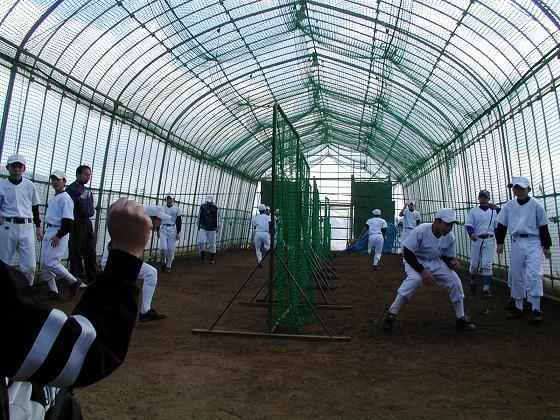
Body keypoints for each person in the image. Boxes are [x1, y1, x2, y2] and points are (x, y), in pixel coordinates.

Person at [1, 198, 151, 419]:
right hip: (20, 404)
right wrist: (127, 252)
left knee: (39, 266)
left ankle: (70, 284)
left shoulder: (65, 197)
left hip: (51, 232)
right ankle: (72, 282)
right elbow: (90, 350)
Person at [381, 208, 476, 332]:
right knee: (415, 279)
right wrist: (422, 271)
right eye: (446, 224)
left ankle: (461, 318)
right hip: (414, 259)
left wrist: (451, 263)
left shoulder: (450, 237)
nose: (449, 228)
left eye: (451, 225)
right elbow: (407, 252)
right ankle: (391, 314)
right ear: (436, 221)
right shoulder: (422, 230)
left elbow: (446, 256)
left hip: (434, 261)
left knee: (455, 281)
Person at [495, 176, 552, 323]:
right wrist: (499, 242)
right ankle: (518, 306)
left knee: (534, 273)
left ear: (528, 189)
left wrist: (546, 246)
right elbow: (501, 225)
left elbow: (543, 227)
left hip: (533, 241)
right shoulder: (509, 206)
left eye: (521, 188)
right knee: (516, 274)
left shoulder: (536, 205)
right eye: (516, 188)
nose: (518, 191)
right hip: (517, 241)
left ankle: (536, 308)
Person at [101, 205, 168, 322]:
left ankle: (144, 311)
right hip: (113, 261)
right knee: (146, 276)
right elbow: (113, 244)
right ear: (152, 218)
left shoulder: (143, 227)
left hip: (119, 260)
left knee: (150, 273)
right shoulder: (139, 227)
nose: (160, 223)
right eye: (159, 219)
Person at [0, 154, 43, 285]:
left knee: (30, 266)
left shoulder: (29, 185)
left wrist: (38, 226)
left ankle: (26, 290)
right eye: (13, 166)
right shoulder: (2, 185)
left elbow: (35, 207)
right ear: (8, 167)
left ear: (24, 168)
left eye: (19, 166)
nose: (16, 169)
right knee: (3, 262)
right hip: (8, 226)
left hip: (27, 226)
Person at [39, 170, 82, 301]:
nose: (55, 182)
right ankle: (54, 291)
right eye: (53, 179)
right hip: (50, 230)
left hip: (58, 232)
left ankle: (74, 281)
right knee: (44, 263)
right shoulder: (56, 197)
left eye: (58, 179)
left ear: (64, 181)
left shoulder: (65, 198)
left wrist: (59, 235)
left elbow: (68, 221)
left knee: (51, 262)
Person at [464, 189, 500, 298]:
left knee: (487, 264)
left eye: (485, 197)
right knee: (474, 265)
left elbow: (502, 221)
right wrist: (471, 234)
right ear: (478, 198)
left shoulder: (494, 211)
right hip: (477, 238)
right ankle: (473, 281)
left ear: (489, 199)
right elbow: (469, 224)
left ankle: (486, 288)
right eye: (481, 197)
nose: (483, 198)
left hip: (489, 239)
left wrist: (498, 208)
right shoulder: (473, 211)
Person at [66, 165, 97, 285]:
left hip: (87, 222)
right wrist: (79, 200)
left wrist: (89, 209)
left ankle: (92, 277)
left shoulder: (88, 191)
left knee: (90, 250)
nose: (87, 177)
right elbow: (69, 205)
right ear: (78, 174)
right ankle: (77, 278)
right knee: (76, 251)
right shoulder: (71, 189)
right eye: (85, 174)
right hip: (76, 222)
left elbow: (91, 208)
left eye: (89, 175)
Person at [158, 193, 182, 273]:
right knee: (163, 248)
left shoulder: (177, 209)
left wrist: (178, 232)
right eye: (167, 198)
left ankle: (168, 265)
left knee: (171, 249)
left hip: (172, 229)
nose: (169, 200)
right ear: (166, 199)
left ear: (173, 199)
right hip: (163, 228)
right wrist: (158, 230)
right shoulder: (162, 208)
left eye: (170, 198)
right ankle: (163, 262)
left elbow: (178, 221)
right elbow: (158, 219)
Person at [198, 194, 220, 264]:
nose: (208, 202)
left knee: (212, 244)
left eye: (210, 201)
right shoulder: (202, 206)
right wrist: (198, 225)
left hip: (212, 228)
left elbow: (218, 217)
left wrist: (217, 226)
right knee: (201, 241)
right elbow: (199, 215)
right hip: (203, 226)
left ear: (212, 200)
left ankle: (212, 258)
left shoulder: (216, 207)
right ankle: (202, 256)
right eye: (207, 201)